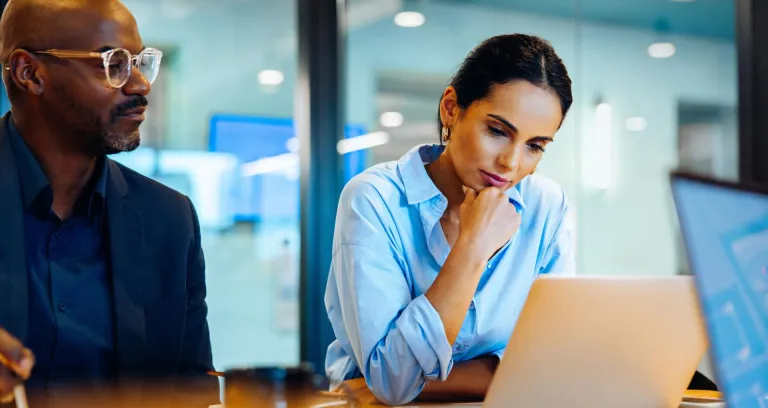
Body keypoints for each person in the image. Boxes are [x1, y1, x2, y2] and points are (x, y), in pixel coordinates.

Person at [324, 34, 575, 406]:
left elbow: (557, 364)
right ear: (451, 109)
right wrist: (472, 248)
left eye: (534, 146)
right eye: (497, 131)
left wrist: (425, 382)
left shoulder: (547, 206)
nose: (510, 163)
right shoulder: (373, 200)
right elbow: (395, 380)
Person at [0, 0, 214, 398]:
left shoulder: (169, 219)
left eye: (140, 62)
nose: (141, 85)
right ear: (30, 73)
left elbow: (193, 392)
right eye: (113, 63)